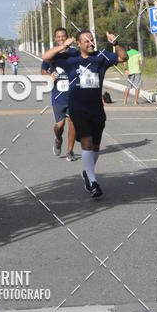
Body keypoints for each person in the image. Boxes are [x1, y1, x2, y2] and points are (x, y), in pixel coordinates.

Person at [42, 30, 127, 199]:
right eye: (86, 41)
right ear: (78, 45)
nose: (90, 43)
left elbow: (123, 58)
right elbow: (45, 57)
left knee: (95, 146)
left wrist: (116, 44)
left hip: (96, 109)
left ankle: (87, 174)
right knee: (86, 142)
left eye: (92, 40)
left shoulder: (101, 57)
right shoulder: (70, 60)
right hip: (78, 108)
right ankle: (93, 182)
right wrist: (63, 46)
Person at [41, 27, 78, 161]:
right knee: (59, 126)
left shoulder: (74, 52)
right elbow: (43, 70)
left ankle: (70, 151)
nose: (61, 38)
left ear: (67, 37)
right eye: (59, 37)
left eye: (63, 36)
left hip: (73, 94)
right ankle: (58, 138)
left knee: (72, 123)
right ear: (55, 39)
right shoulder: (52, 54)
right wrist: (49, 75)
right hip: (58, 95)